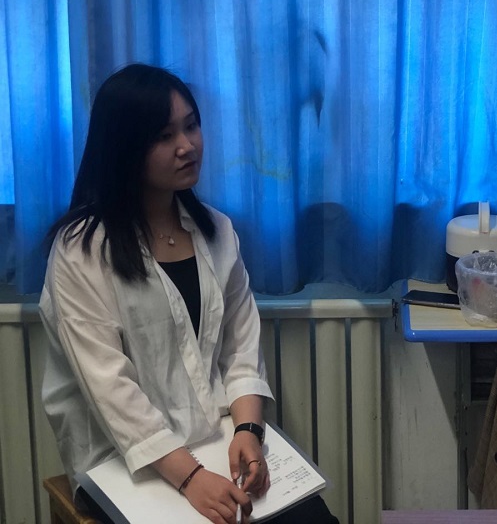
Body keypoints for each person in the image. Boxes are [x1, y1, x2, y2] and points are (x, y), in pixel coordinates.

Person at [40, 64, 338, 524]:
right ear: (124, 147)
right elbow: (109, 386)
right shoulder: (82, 250)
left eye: (192, 125)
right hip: (122, 459)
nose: (187, 145)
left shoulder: (217, 230)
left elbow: (242, 345)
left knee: (313, 519)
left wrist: (249, 430)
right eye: (164, 136)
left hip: (213, 438)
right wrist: (191, 478)